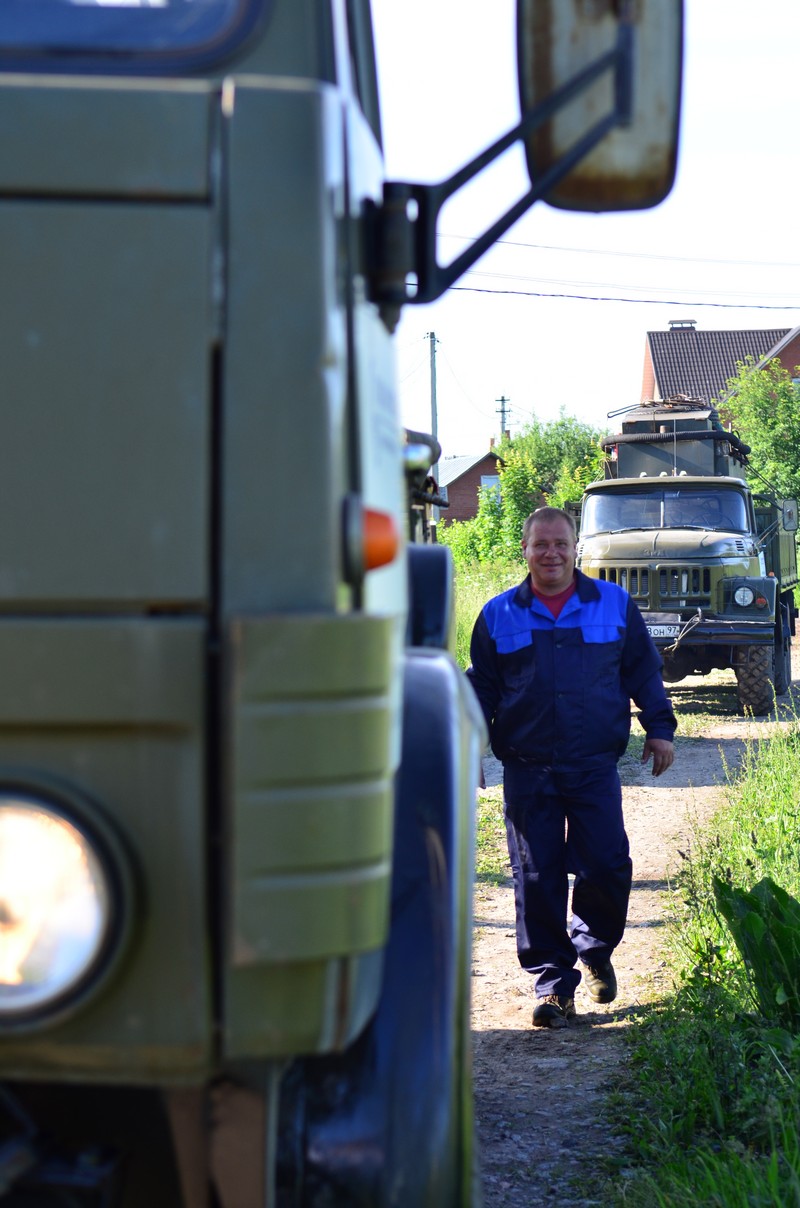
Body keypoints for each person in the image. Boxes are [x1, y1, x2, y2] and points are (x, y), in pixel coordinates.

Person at [467, 506, 676, 1029]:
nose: (552, 553)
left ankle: (596, 948)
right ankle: (554, 986)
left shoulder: (613, 605)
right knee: (536, 877)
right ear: (525, 549)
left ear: (576, 546)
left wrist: (660, 728)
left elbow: (642, 672)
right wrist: (470, 748)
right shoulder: (497, 615)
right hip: (527, 768)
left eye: (561, 543)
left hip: (592, 765)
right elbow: (480, 692)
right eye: (541, 544)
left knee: (606, 864)